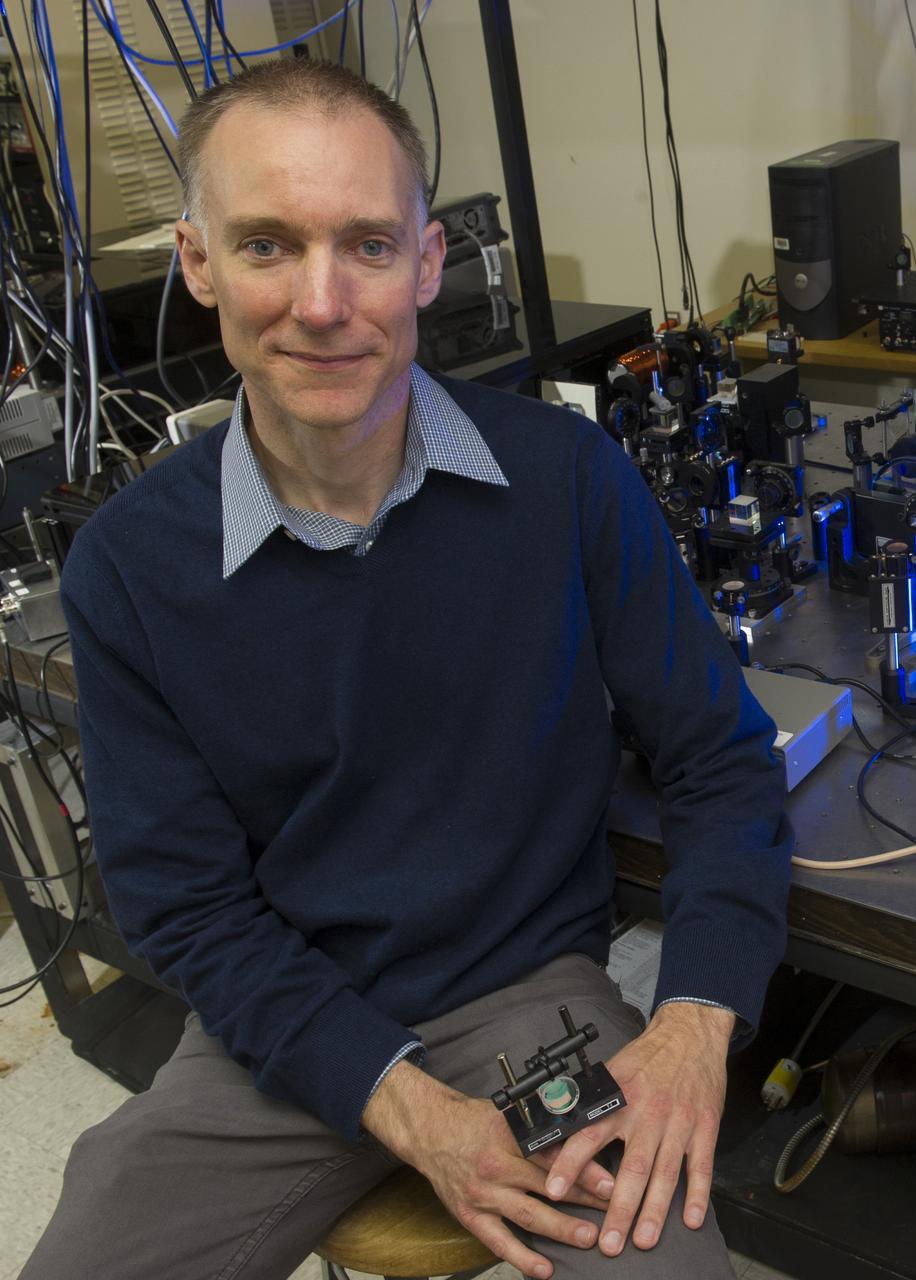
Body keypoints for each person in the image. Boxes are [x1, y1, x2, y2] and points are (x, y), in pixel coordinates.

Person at [22, 59, 791, 1280]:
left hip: (527, 998)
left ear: (429, 263)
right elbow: (186, 907)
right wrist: (402, 1103)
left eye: (368, 245)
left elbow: (719, 760)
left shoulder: (565, 479)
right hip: (281, 1019)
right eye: (267, 245)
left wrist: (696, 1018)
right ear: (197, 262)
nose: (322, 302)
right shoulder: (127, 567)